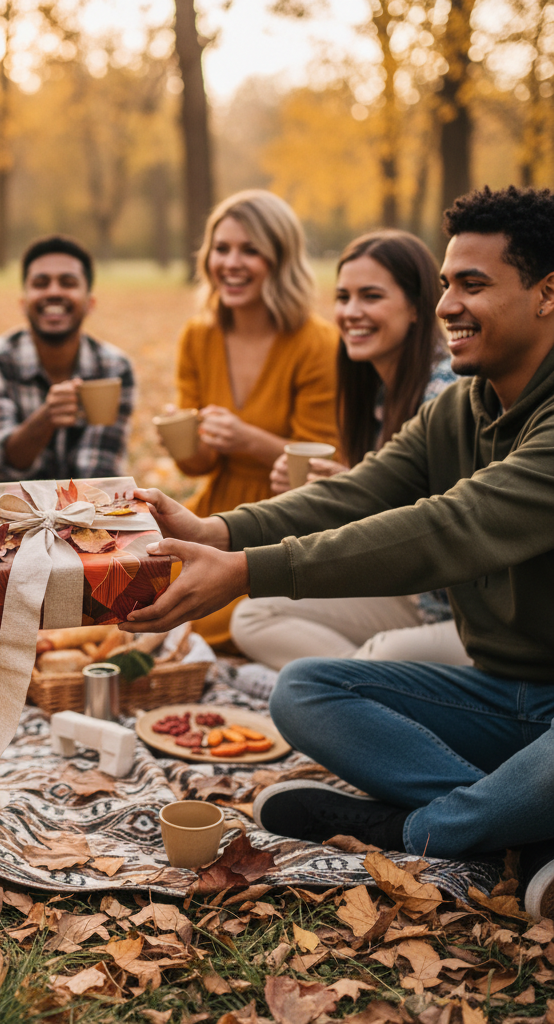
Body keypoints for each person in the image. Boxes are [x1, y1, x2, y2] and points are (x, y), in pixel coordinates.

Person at [122, 185, 554, 920]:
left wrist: (247, 574)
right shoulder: (456, 409)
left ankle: (417, 828)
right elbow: (353, 494)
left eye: (473, 285)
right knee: (304, 690)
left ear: (548, 294)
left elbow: (452, 525)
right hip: (499, 695)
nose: (448, 304)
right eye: (447, 283)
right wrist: (216, 534)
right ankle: (518, 818)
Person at [230, 230, 468, 677]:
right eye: (343, 297)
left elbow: (440, 529)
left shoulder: (444, 391)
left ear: (417, 307)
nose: (351, 312)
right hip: (414, 598)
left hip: (467, 617)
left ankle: (330, 686)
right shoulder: (380, 395)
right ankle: (340, 685)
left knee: (384, 654)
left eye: (371, 296)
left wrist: (347, 495)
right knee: (254, 613)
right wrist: (339, 488)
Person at [167, 190, 339, 648]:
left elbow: (321, 467)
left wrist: (248, 440)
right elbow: (199, 465)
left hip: (288, 515)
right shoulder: (198, 336)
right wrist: (182, 440)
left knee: (224, 622)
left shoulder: (316, 342)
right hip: (217, 510)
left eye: (250, 250)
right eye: (222, 248)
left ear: (280, 260)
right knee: (158, 602)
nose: (231, 263)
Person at [0, 234, 135, 481]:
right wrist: (45, 420)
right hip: (8, 514)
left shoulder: (115, 368)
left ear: (90, 303)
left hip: (89, 512)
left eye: (68, 282)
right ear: (23, 303)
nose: (54, 292)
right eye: (41, 283)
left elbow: (99, 469)